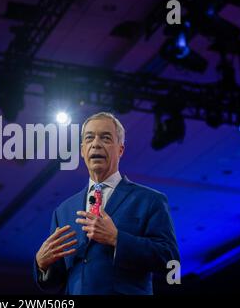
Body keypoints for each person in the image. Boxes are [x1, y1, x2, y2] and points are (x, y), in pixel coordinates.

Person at [33, 112, 179, 295]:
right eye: (89, 138)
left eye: (105, 138)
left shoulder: (149, 200)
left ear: (120, 149)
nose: (96, 144)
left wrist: (117, 238)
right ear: (82, 150)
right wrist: (42, 265)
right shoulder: (63, 211)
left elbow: (171, 262)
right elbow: (56, 281)